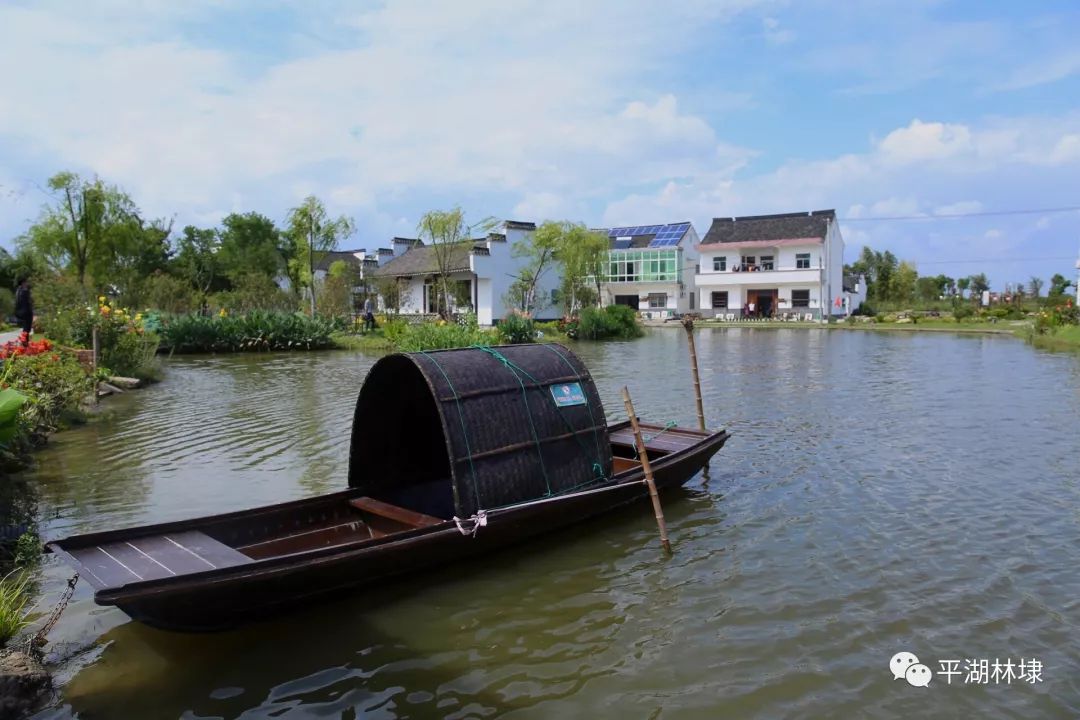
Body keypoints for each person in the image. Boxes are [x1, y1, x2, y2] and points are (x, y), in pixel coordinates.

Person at [13, 276, 33, 346]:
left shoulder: (19, 290)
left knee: (26, 328)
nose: (27, 283)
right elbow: (26, 301)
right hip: (26, 312)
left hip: (23, 311)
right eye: (26, 282)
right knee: (26, 328)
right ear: (23, 283)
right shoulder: (24, 291)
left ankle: (25, 343)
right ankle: (25, 343)